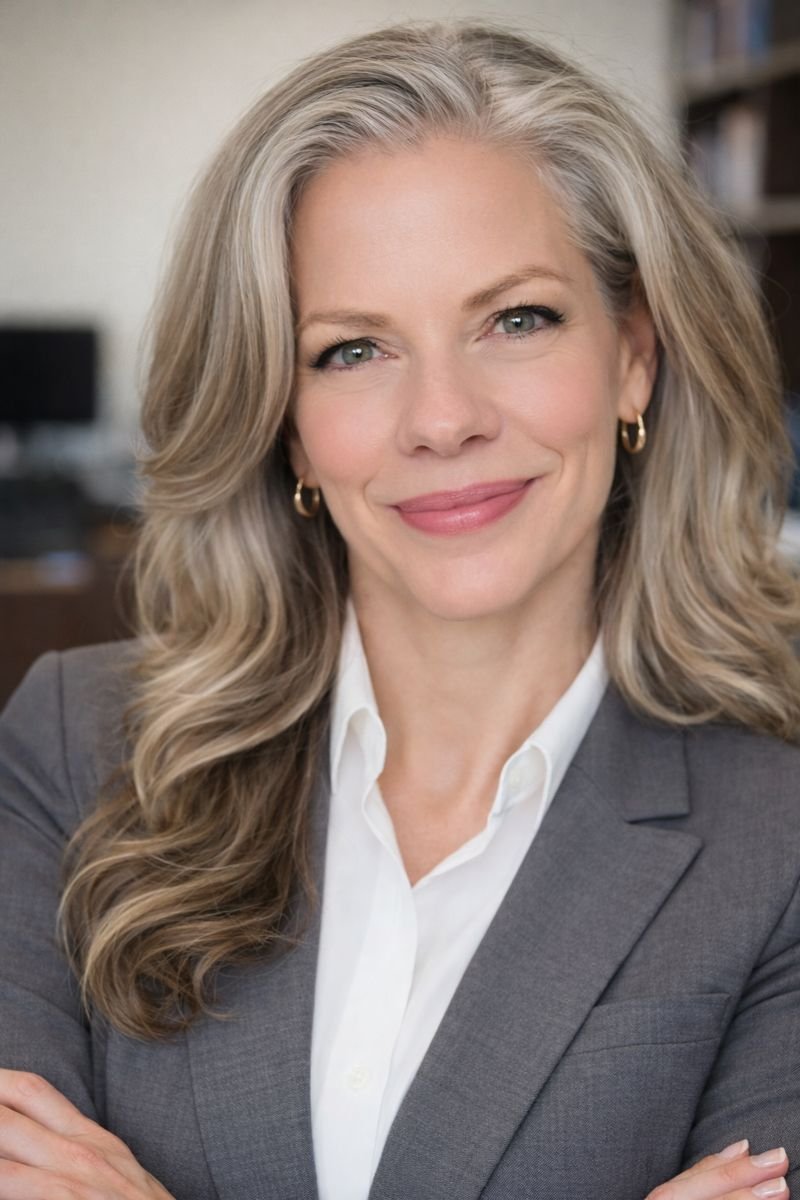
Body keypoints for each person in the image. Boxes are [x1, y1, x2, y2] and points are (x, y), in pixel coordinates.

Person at [0, 19, 799, 1200]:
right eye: (353, 348)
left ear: (632, 356)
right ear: (286, 423)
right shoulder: (73, 746)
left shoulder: (776, 827)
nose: (441, 417)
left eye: (515, 320)